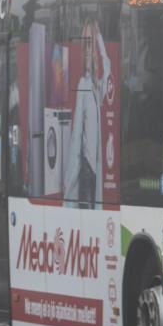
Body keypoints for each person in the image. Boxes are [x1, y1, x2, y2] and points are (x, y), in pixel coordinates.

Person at [64, 20, 112, 208]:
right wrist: (70, 180)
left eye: (89, 43)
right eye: (85, 44)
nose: (87, 49)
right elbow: (76, 133)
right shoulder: (83, 85)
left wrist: (100, 40)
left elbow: (107, 72)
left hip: (93, 170)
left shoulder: (94, 86)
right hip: (85, 170)